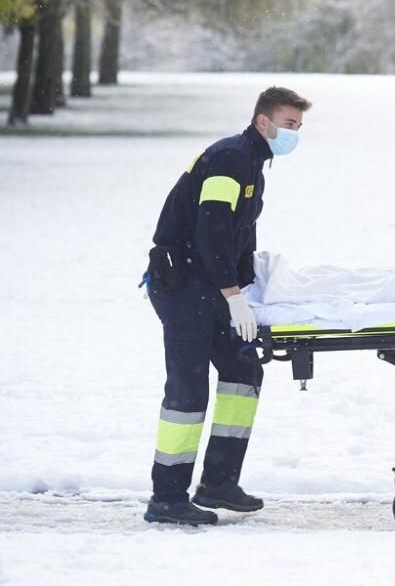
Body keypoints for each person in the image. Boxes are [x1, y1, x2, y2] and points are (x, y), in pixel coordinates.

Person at [141, 86, 311, 526]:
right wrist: (233, 295)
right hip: (184, 285)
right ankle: (167, 497)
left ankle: (218, 482)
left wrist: (247, 288)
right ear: (262, 121)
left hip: (211, 285)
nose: (294, 133)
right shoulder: (230, 158)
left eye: (298, 126)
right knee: (188, 388)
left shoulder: (252, 163)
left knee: (243, 369)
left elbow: (239, 236)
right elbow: (211, 230)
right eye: (288, 124)